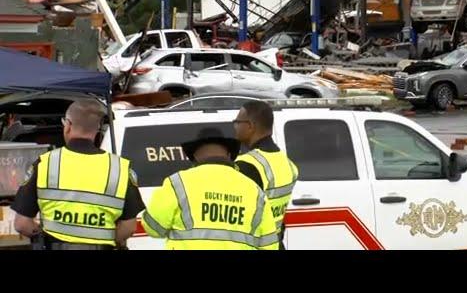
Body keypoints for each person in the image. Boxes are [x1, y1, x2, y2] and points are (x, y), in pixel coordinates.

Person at [11, 99, 145, 250]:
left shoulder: (45, 163)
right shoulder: (120, 168)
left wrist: (42, 236)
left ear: (68, 125)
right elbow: (128, 227)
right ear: (98, 129)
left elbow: (22, 224)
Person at [141, 128, 279, 250]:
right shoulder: (254, 190)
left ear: (194, 156)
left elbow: (153, 228)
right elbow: (270, 244)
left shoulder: (177, 183)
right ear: (229, 155)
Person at [234, 101, 298, 248]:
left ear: (250, 126)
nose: (235, 126)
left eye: (237, 122)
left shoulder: (246, 165)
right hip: (275, 243)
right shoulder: (288, 164)